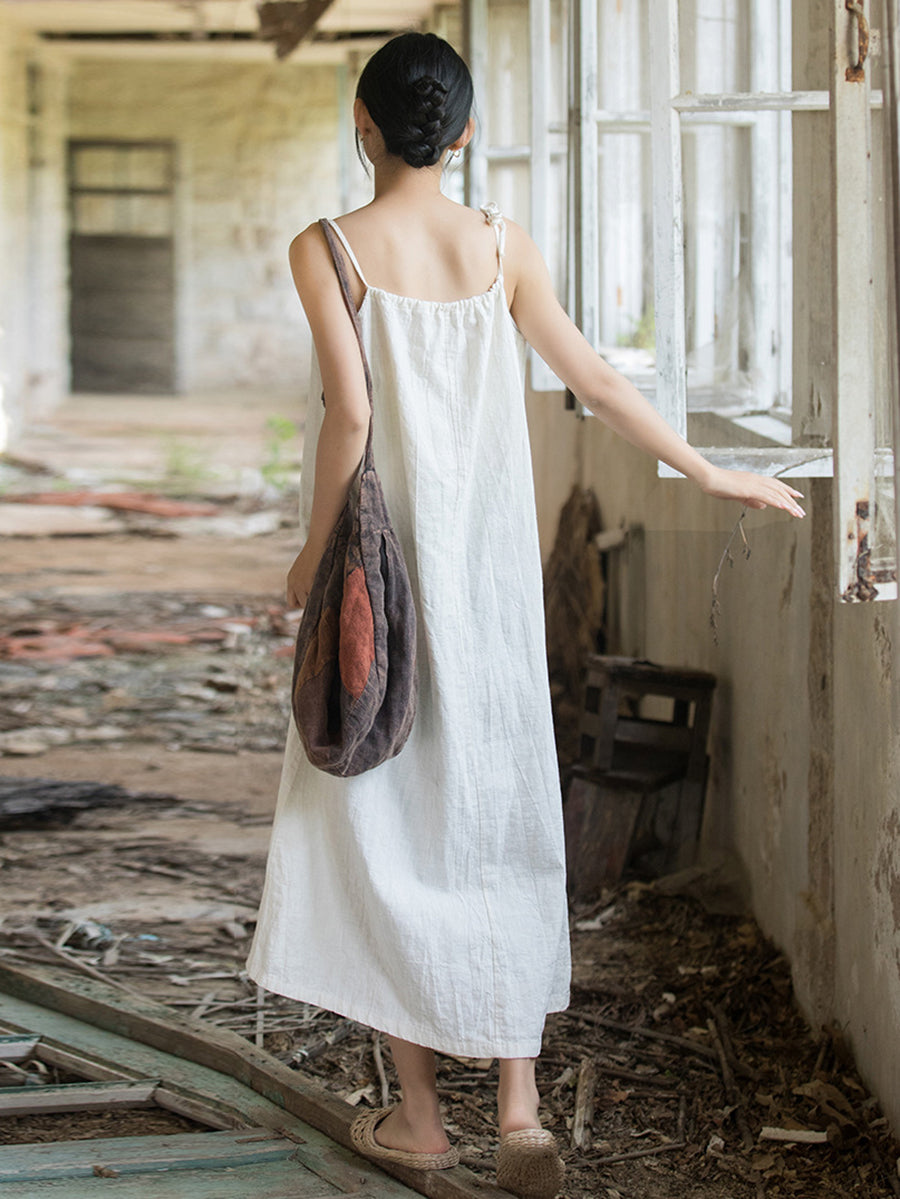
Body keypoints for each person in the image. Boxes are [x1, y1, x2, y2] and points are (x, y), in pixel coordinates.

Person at [245, 30, 805, 1199]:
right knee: (497, 811)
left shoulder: (326, 248)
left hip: (381, 579)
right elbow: (592, 380)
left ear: (362, 122)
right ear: (463, 134)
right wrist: (709, 470)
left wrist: (307, 557)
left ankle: (417, 1117)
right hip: (490, 580)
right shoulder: (502, 245)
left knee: (376, 816)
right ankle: (519, 1109)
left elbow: (351, 417)